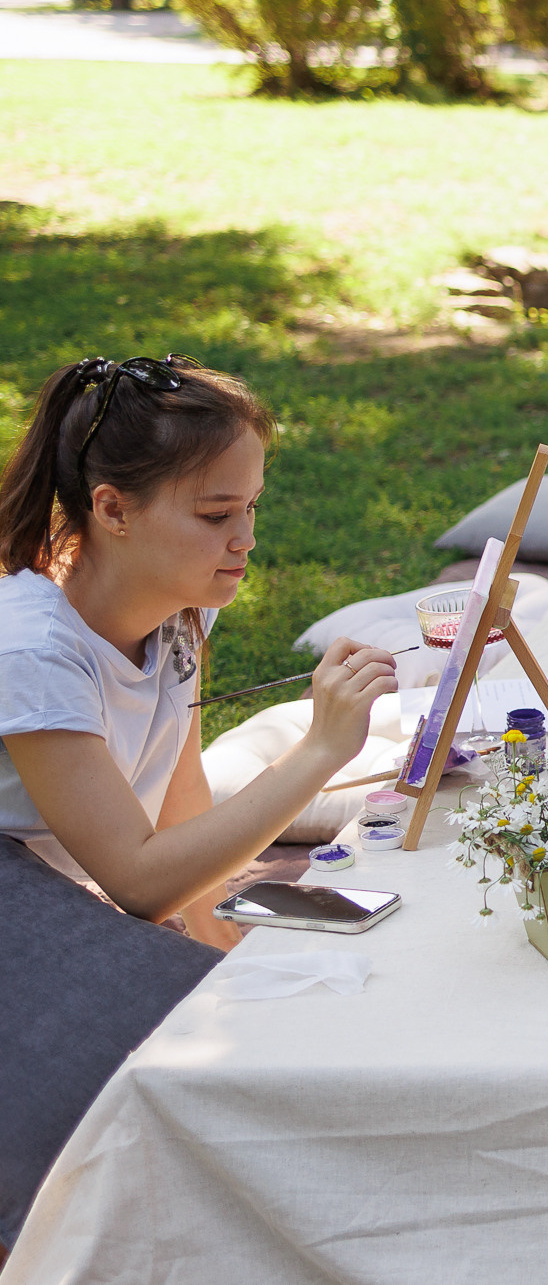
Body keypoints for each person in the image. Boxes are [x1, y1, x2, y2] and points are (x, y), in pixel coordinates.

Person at [0, 355, 396, 941]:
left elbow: (179, 796)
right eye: (216, 515)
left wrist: (216, 939)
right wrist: (320, 749)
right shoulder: (33, 652)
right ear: (112, 509)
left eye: (250, 506)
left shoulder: (177, 603)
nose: (247, 539)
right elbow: (139, 884)